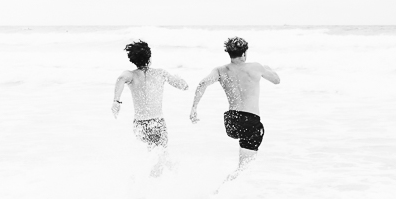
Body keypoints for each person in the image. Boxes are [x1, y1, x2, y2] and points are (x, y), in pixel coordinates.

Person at [190, 37, 280, 180]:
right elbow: (276, 80)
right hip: (250, 121)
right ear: (244, 53)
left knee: (243, 162)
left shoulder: (220, 70)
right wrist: (268, 68)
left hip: (231, 121)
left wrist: (194, 108)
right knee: (244, 169)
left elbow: (202, 84)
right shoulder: (256, 67)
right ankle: (222, 192)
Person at [113, 40, 188, 175]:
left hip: (139, 125)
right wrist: (180, 79)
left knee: (154, 153)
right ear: (150, 57)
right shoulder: (160, 73)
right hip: (157, 124)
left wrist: (116, 102)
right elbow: (183, 86)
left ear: (132, 59)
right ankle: (166, 176)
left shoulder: (131, 75)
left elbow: (120, 79)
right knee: (160, 155)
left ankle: (145, 178)